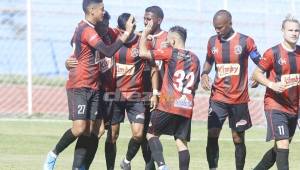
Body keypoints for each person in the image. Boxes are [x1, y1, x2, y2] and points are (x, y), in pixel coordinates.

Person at [43, 0, 135, 169]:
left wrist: (140, 33)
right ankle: (53, 154)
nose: (103, 12)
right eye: (102, 10)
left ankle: (80, 167)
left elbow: (77, 48)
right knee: (80, 129)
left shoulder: (103, 31)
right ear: (92, 11)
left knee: (94, 131)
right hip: (81, 85)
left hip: (96, 87)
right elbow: (105, 51)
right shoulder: (86, 30)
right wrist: (69, 62)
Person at [200, 10, 261, 170]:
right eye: (215, 27)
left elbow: (259, 61)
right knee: (212, 134)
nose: (217, 31)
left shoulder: (245, 41)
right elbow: (208, 61)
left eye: (220, 27)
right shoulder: (212, 42)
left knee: (238, 138)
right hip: (217, 97)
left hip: (238, 99)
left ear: (230, 23)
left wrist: (259, 75)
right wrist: (204, 73)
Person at [139, 23, 201, 170]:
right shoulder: (195, 58)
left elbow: (142, 52)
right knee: (181, 143)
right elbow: (195, 84)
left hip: (168, 104)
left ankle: (162, 166)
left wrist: (145, 33)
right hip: (186, 106)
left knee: (151, 134)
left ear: (172, 41)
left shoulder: (170, 53)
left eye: (168, 40)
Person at [252, 15, 300, 170]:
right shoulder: (272, 52)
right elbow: (256, 74)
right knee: (283, 144)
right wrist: (271, 84)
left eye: (297, 30)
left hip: (293, 108)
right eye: (290, 30)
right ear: (283, 31)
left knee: (279, 149)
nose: (294, 33)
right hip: (275, 106)